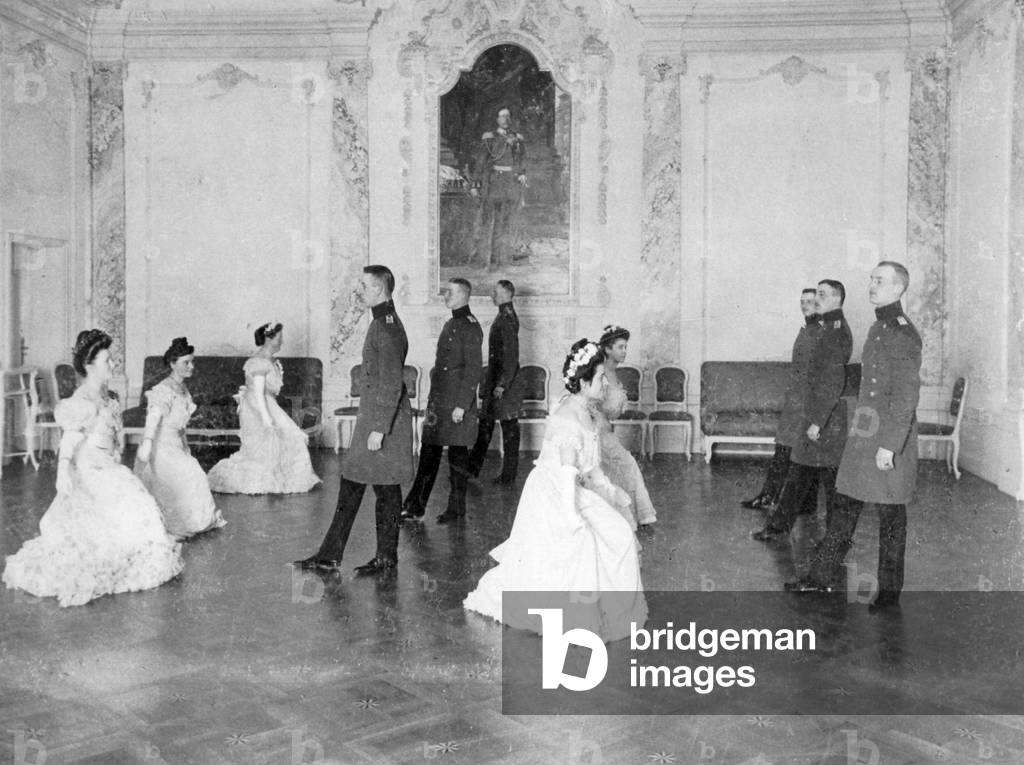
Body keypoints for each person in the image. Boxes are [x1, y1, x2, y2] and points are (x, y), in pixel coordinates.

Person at [463, 339, 647, 642]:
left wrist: (613, 494)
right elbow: (565, 474)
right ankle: (581, 615)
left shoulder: (588, 412)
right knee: (584, 543)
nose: (605, 383)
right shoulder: (567, 417)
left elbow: (590, 467)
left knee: (620, 533)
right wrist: (572, 517)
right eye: (600, 378)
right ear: (584, 381)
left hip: (575, 487)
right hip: (553, 494)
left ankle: (612, 610)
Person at [2, 330, 184, 607]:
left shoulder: (108, 398)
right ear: (89, 366)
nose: (113, 365)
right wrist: (63, 473)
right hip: (90, 473)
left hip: (109, 469)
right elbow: (69, 444)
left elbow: (113, 441)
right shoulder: (81, 402)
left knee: (142, 512)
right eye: (107, 360)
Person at [785, 262, 922, 613]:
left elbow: (905, 396)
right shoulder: (879, 327)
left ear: (899, 289)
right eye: (871, 280)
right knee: (844, 506)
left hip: (890, 440)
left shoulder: (903, 333)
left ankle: (889, 594)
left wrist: (889, 446)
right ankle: (820, 577)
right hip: (864, 435)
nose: (872, 286)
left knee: (891, 517)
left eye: (880, 281)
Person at [295, 266, 413, 576]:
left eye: (363, 285)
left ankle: (378, 558)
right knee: (357, 483)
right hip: (376, 420)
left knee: (382, 488)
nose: (358, 290)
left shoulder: (385, 327)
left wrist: (378, 428)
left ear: (378, 289)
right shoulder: (381, 322)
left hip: (380, 424)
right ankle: (334, 555)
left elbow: (390, 382)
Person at [753, 281, 852, 541]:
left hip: (826, 421)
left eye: (821, 295)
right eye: (815, 294)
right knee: (800, 471)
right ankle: (779, 528)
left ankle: (835, 541)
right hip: (816, 416)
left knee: (829, 483)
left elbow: (832, 382)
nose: (815, 300)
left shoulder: (834, 331)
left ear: (837, 298)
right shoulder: (826, 328)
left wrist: (817, 421)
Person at [401, 278, 483, 524]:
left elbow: (473, 369)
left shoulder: (469, 326)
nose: (445, 295)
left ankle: (456, 510)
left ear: (464, 295)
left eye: (450, 292)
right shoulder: (452, 323)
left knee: (458, 457)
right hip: (440, 402)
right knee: (429, 452)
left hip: (457, 404)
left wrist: (462, 404)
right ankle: (415, 506)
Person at [206, 321, 320, 495]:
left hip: (268, 404)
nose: (282, 342)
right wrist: (267, 419)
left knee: (288, 438)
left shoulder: (270, 361)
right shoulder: (258, 362)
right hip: (257, 407)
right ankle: (260, 479)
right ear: (268, 338)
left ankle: (285, 478)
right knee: (270, 442)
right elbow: (258, 395)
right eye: (279, 338)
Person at [134, 337, 226, 538]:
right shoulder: (163, 389)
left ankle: (195, 521)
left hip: (176, 444)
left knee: (194, 472)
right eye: (186, 362)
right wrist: (147, 446)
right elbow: (153, 419)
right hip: (160, 446)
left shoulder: (183, 389)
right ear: (172, 364)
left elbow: (181, 426)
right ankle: (178, 523)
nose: (191, 366)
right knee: (191, 474)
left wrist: (186, 449)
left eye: (192, 361)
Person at [741, 288, 821, 511]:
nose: (805, 305)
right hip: (796, 401)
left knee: (789, 451)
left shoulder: (818, 332)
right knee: (794, 451)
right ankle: (792, 500)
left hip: (805, 403)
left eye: (810, 301)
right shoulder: (808, 329)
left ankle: (773, 497)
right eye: (802, 301)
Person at [594, 325, 657, 530]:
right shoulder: (599, 372)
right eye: (620, 347)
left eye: (625, 347)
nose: (624, 351)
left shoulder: (613, 372)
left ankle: (624, 514)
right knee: (623, 466)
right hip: (597, 432)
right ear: (608, 349)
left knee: (623, 467)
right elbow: (589, 403)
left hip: (607, 430)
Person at [468, 279, 522, 485]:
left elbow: (510, 356)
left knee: (508, 429)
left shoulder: (506, 318)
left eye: (496, 292)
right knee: (487, 425)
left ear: (507, 294)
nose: (493, 295)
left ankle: (507, 476)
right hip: (497, 381)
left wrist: (502, 384)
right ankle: (472, 470)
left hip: (503, 385)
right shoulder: (503, 315)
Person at [471, 107, 528, 269]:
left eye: (508, 116)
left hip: (511, 184)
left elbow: (522, 159)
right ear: (497, 119)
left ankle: (506, 260)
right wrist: (475, 184)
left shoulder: (518, 138)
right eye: (502, 116)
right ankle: (491, 260)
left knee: (508, 222)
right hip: (495, 184)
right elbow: (481, 161)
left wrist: (522, 173)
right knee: (492, 222)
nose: (505, 119)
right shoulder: (489, 138)